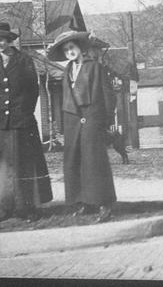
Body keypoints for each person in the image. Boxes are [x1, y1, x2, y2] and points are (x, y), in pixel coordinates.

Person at [0, 22, 53, 222]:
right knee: (0, 165)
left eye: (2, 40)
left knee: (23, 164)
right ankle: (3, 208)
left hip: (21, 120)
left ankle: (26, 208)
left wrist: (24, 111)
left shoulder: (24, 60)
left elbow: (33, 89)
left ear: (9, 40)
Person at [48, 30, 117, 223]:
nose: (70, 52)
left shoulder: (95, 67)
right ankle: (83, 202)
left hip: (91, 119)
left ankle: (104, 204)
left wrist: (104, 120)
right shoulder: (67, 71)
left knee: (94, 162)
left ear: (79, 47)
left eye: (72, 47)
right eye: (66, 50)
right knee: (75, 162)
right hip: (72, 122)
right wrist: (63, 126)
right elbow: (65, 99)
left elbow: (108, 96)